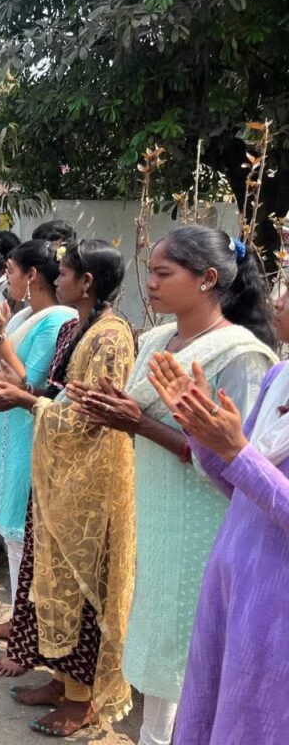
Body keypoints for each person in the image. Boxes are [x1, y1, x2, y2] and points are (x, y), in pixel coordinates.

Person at [68, 226, 276, 745]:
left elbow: (244, 460)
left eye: (164, 273)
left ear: (207, 279)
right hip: (159, 512)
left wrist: (139, 423)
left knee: (188, 651)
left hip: (204, 520)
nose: (151, 284)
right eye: (151, 272)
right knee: (159, 636)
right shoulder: (158, 340)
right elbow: (143, 414)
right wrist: (109, 408)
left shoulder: (241, 354)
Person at [0, 240, 134, 737]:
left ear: (86, 282)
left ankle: (82, 700)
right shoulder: (77, 327)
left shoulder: (112, 337)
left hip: (90, 482)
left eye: (64, 273)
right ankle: (61, 680)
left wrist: (26, 402)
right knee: (52, 582)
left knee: (82, 590)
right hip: (57, 474)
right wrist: (24, 396)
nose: (57, 278)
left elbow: (93, 416)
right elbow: (58, 394)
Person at [147, 294, 289, 745]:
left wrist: (238, 452)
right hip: (229, 580)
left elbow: (247, 465)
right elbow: (242, 488)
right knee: (207, 710)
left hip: (275, 606)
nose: (278, 300)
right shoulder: (280, 377)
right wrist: (202, 431)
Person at [0, 239, 76, 659]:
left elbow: (30, 380)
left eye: (11, 271)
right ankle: (18, 617)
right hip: (7, 427)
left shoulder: (57, 319)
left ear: (31, 275)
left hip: (30, 429)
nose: (6, 278)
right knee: (13, 535)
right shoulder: (27, 313)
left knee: (22, 534)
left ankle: (24, 624)